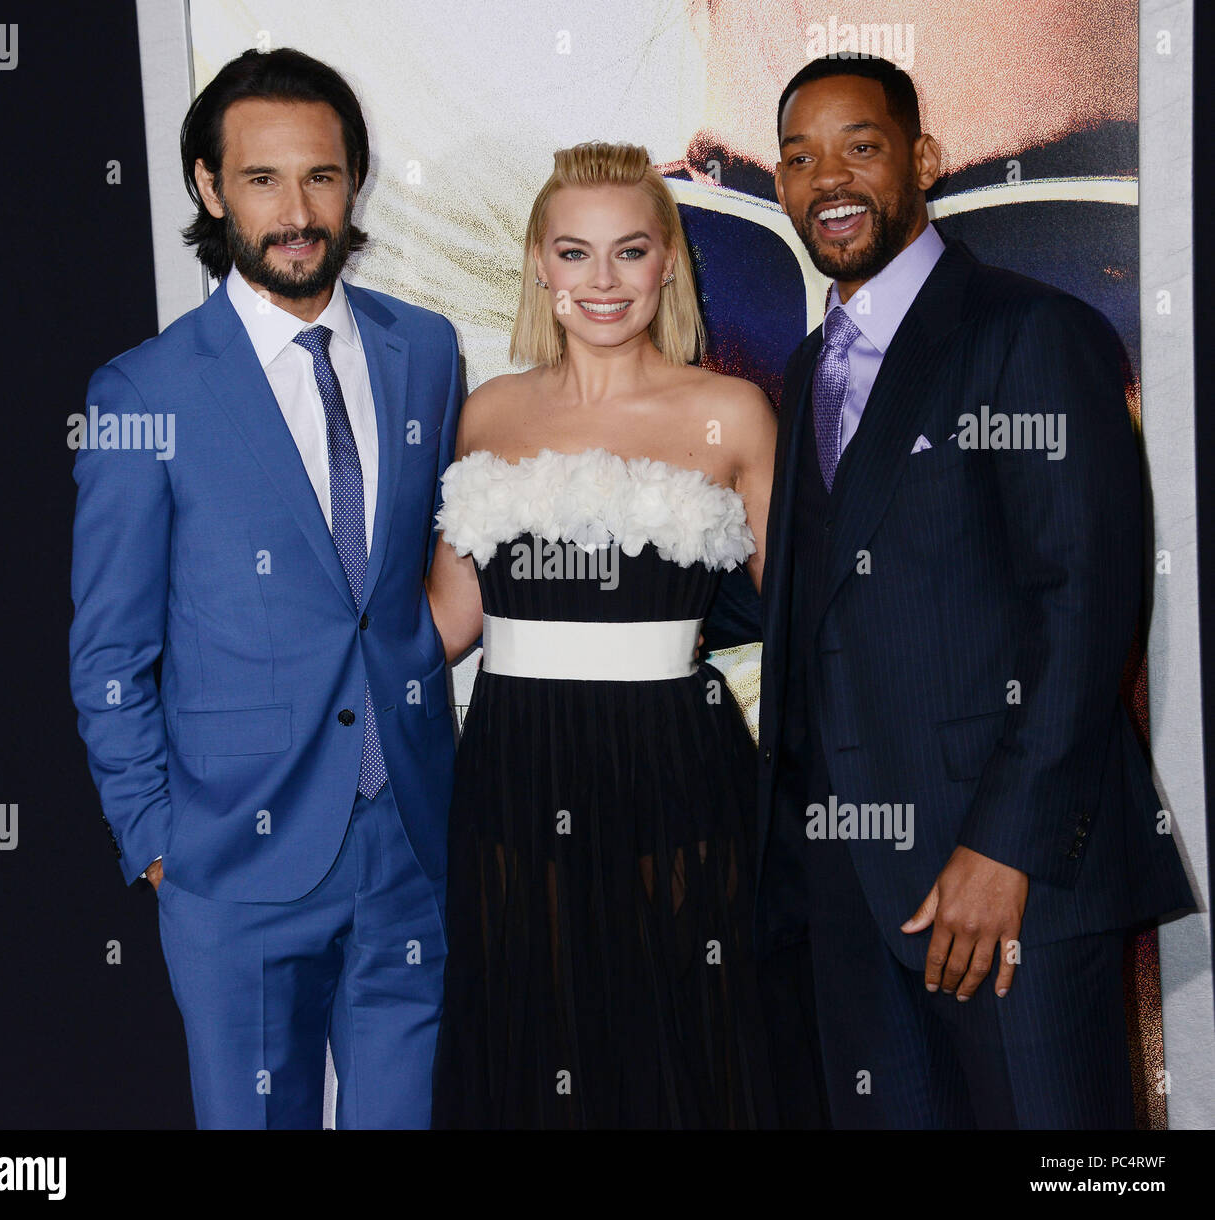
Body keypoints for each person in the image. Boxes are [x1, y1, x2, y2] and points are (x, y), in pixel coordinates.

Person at [756, 54, 1195, 1128]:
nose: (831, 179)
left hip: (1010, 885)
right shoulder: (812, 366)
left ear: (922, 160)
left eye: (859, 145)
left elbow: (1084, 606)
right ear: (779, 185)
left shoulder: (1030, 333)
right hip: (854, 898)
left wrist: (1006, 848)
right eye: (802, 157)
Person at [68, 48, 462, 1129]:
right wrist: (156, 839)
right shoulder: (143, 391)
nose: (298, 211)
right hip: (228, 862)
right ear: (207, 186)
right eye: (262, 179)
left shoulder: (423, 351)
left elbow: (408, 584)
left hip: (410, 849)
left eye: (322, 177)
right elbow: (108, 650)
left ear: (354, 181)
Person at [424, 141, 804, 1128]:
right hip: (512, 769)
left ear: (668, 262)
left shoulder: (732, 415)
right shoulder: (486, 413)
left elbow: (811, 625)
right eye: (576, 253)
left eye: (629, 252)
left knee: (679, 1044)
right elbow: (444, 624)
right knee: (531, 1042)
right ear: (540, 266)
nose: (603, 281)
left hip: (675, 770)